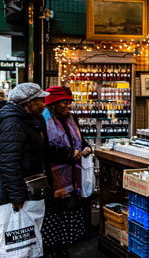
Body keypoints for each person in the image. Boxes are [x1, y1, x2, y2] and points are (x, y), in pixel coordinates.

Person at [0, 83, 77, 211]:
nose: (45, 104)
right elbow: (9, 162)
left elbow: (43, 150)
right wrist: (16, 195)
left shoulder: (33, 119)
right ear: (30, 103)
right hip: (21, 192)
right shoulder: (13, 123)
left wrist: (67, 153)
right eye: (41, 101)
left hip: (32, 187)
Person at [40, 86, 92, 258]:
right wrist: (69, 154)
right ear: (54, 104)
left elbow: (79, 139)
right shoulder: (43, 120)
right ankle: (50, 250)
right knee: (52, 217)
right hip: (53, 181)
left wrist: (86, 147)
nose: (69, 106)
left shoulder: (71, 119)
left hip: (70, 180)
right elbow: (45, 150)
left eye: (70, 102)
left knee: (67, 216)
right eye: (65, 102)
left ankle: (63, 248)